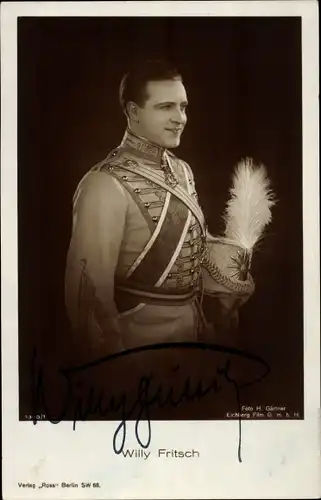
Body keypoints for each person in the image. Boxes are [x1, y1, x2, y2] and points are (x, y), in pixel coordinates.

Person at [64, 59, 251, 357]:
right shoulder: (103, 183)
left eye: (184, 106)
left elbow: (189, 248)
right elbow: (88, 294)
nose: (180, 118)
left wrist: (227, 273)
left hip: (195, 331)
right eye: (166, 107)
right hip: (138, 343)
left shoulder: (182, 170)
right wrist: (112, 367)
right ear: (133, 112)